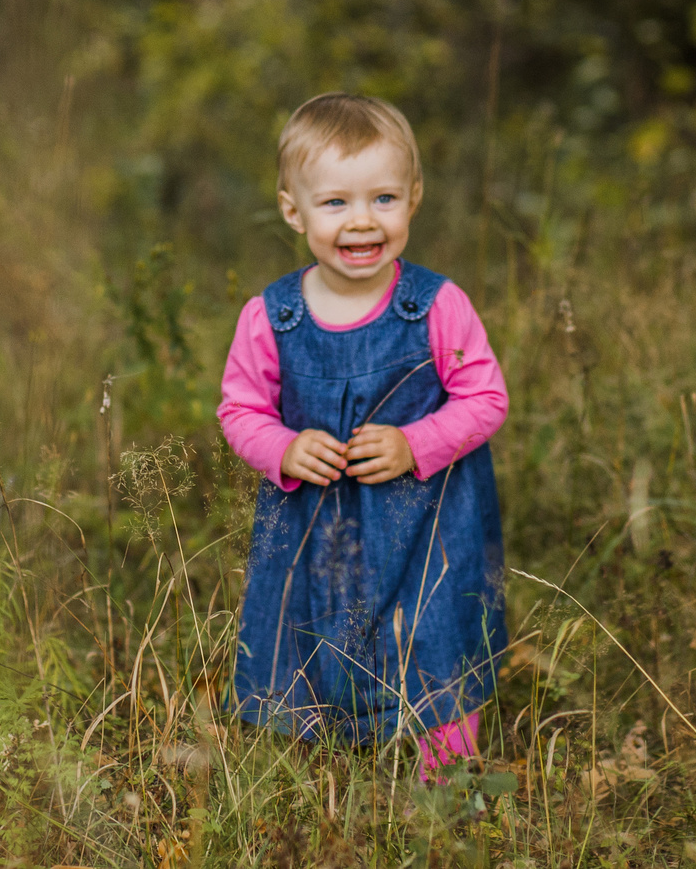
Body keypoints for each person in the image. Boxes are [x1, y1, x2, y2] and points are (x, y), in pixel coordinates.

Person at [217, 92, 509, 781]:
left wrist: (419, 442)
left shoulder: (438, 305)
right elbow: (240, 410)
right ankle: (329, 779)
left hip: (428, 526)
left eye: (383, 198)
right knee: (312, 633)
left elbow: (485, 396)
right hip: (317, 526)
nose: (362, 221)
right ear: (294, 209)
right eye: (335, 203)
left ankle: (448, 784)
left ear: (414, 197)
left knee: (436, 632)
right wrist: (283, 448)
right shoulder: (271, 315)